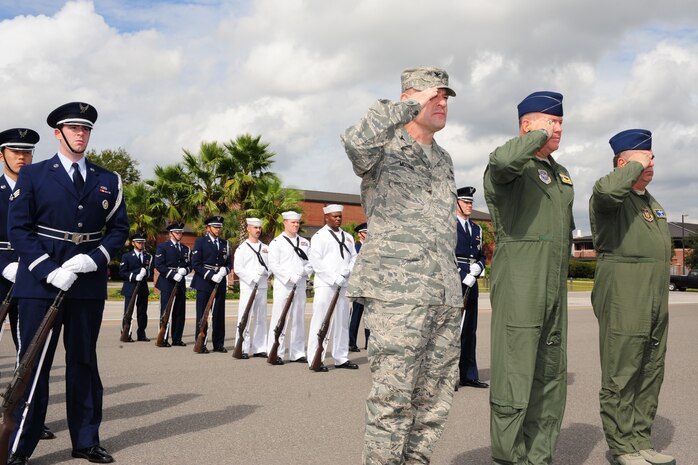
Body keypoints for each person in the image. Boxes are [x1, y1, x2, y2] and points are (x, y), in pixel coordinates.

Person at [342, 66, 462, 464]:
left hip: (443, 292)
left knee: (434, 399)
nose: (442, 102)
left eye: (446, 96)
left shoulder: (443, 159)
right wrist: (405, 106)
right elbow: (354, 142)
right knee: (393, 398)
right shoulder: (384, 147)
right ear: (411, 97)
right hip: (398, 293)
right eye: (435, 95)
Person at [7, 101, 129, 464]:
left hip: (86, 283)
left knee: (83, 363)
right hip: (41, 283)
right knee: (33, 365)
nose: (81, 134)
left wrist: (92, 259)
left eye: (86, 129)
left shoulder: (108, 180)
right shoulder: (34, 175)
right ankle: (19, 445)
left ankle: (86, 439)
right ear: (58, 133)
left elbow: (118, 229)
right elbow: (18, 228)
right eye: (74, 128)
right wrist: (47, 268)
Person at [483, 91, 574, 465]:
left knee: (549, 372)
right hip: (521, 274)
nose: (557, 129)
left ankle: (540, 455)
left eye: (561, 124)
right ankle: (509, 457)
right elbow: (502, 160)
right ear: (526, 126)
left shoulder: (560, 172)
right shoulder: (510, 166)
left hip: (554, 278)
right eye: (551, 122)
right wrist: (534, 138)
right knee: (514, 370)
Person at [590, 129, 674, 465]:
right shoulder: (610, 196)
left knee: (650, 369)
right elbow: (608, 190)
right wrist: (630, 167)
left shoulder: (651, 203)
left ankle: (641, 440)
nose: (651, 162)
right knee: (622, 370)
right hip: (625, 292)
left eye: (652, 157)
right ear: (623, 163)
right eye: (644, 157)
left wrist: (637, 167)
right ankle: (622, 446)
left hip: (655, 296)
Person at [0, 127, 56, 443]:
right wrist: (4, 265)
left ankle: (28, 419)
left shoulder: (41, 189)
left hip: (30, 274)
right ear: (2, 154)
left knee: (31, 353)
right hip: (1, 275)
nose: (22, 157)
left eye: (27, 152)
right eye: (15, 151)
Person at [306, 204, 358, 372]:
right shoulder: (319, 237)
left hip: (343, 284)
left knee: (342, 322)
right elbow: (316, 262)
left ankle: (341, 357)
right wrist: (334, 277)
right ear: (326, 217)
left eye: (340, 216)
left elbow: (354, 257)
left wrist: (347, 272)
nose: (338, 219)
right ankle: (315, 358)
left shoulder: (348, 237)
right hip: (326, 285)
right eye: (334, 216)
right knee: (321, 321)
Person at [266, 211, 312, 365]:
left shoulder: (305, 242)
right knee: (280, 318)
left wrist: (304, 272)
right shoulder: (277, 243)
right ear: (284, 223)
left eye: (297, 223)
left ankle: (297, 353)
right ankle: (275, 351)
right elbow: (273, 264)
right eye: (292, 222)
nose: (296, 225)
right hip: (284, 285)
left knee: (298, 318)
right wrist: (288, 276)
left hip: (299, 284)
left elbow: (310, 263)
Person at [455, 186, 487, 389]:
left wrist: (479, 267)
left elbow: (482, 254)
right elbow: (445, 254)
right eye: (466, 202)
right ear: (456, 203)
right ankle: (448, 377)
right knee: (451, 331)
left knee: (469, 331)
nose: (469, 205)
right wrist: (462, 273)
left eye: (471, 202)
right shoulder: (448, 225)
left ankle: (468, 374)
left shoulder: (477, 229)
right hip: (454, 281)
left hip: (472, 283)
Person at [191, 215, 231, 353]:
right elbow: (196, 264)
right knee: (203, 314)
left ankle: (218, 344)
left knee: (219, 315)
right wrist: (210, 275)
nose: (218, 229)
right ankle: (201, 343)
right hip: (204, 282)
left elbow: (229, 263)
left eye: (220, 227)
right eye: (215, 227)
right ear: (208, 228)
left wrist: (223, 271)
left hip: (220, 281)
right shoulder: (200, 242)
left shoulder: (225, 243)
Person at [233, 217, 271, 359]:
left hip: (261, 287)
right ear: (248, 229)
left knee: (261, 318)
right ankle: (242, 347)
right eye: (255, 228)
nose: (258, 230)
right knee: (245, 317)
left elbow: (271, 266)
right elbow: (238, 268)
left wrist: (266, 273)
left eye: (259, 228)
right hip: (248, 287)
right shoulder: (242, 248)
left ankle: (260, 347)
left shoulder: (266, 248)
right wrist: (251, 277)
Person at [154, 222, 191, 347]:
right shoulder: (163, 247)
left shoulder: (186, 249)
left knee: (180, 312)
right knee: (166, 311)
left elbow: (190, 265)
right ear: (170, 234)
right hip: (167, 282)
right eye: (177, 232)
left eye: (181, 232)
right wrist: (172, 274)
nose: (179, 234)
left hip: (180, 282)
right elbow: (159, 264)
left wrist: (185, 270)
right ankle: (163, 338)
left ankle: (177, 338)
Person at [119, 232, 152, 342]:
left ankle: (141, 333)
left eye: (142, 243)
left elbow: (150, 273)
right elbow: (122, 273)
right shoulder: (127, 256)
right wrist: (134, 276)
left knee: (142, 312)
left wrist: (145, 274)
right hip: (130, 287)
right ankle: (126, 332)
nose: (141, 244)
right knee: (128, 311)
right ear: (133, 243)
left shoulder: (148, 256)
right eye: (138, 242)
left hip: (142, 287)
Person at [348, 222, 369, 352]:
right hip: (358, 287)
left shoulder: (370, 247)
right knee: (356, 315)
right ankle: (351, 342)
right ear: (360, 234)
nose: (367, 235)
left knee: (368, 317)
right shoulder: (356, 248)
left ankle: (368, 342)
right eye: (366, 233)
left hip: (369, 287)